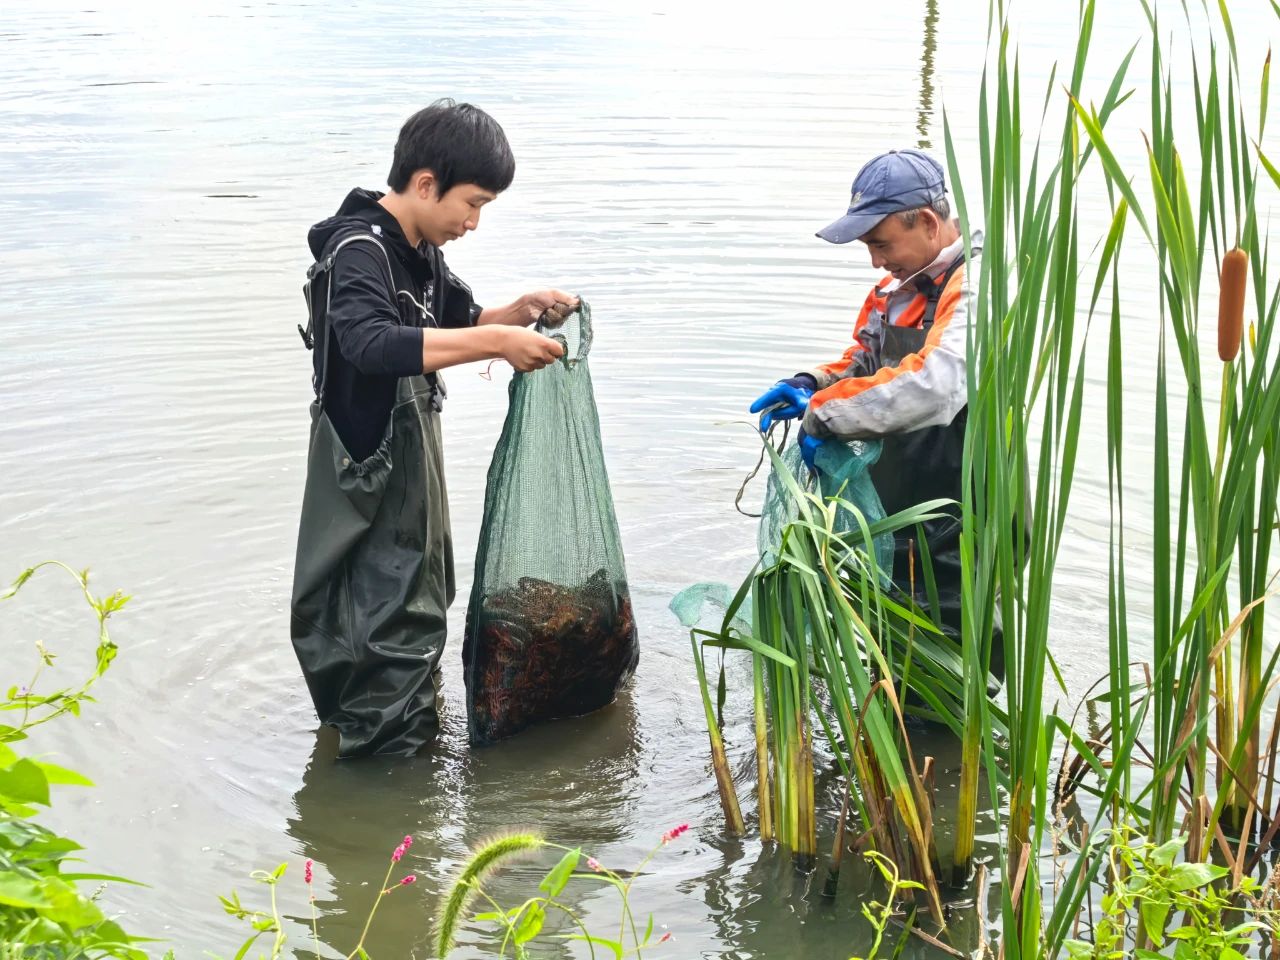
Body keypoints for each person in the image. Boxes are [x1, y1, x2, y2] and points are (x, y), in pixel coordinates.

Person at [291, 99, 578, 758]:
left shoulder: (419, 251)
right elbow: (369, 343)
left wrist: (518, 313)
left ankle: (395, 773)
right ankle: (384, 791)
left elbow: (461, 318)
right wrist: (497, 342)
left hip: (408, 475)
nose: (474, 222)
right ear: (425, 184)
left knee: (418, 606)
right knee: (378, 624)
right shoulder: (359, 249)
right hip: (364, 474)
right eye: (471, 204)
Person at [749, 148, 980, 644]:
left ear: (926, 222)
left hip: (962, 506)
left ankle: (951, 724)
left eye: (881, 244)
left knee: (951, 645)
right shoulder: (897, 289)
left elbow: (934, 386)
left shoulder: (977, 284)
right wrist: (810, 383)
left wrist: (822, 415)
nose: (876, 260)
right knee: (894, 635)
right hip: (903, 501)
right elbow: (867, 359)